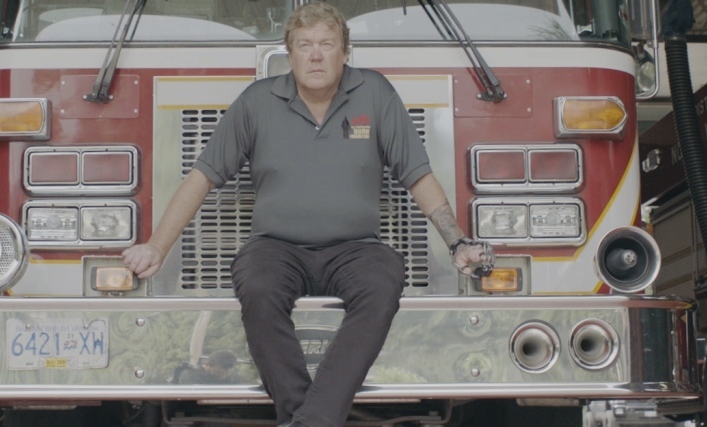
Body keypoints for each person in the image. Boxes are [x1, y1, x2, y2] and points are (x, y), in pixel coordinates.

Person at [122, 3, 490, 426]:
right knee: (256, 284)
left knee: (384, 279)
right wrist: (157, 247)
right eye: (304, 45)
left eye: (327, 45)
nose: (315, 56)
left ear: (345, 52)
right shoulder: (257, 101)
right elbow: (201, 178)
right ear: (290, 54)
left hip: (356, 249)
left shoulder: (375, 94)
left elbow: (417, 175)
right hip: (277, 248)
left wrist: (456, 241)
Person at [175, 350, 240, 385]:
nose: (227, 372)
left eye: (230, 368)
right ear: (212, 363)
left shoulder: (232, 378)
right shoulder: (191, 376)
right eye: (224, 368)